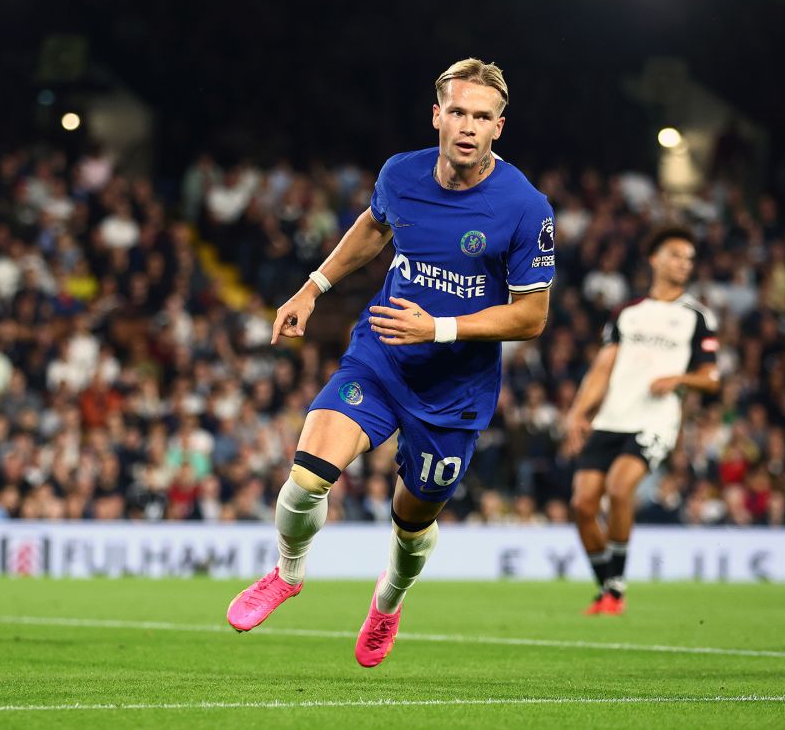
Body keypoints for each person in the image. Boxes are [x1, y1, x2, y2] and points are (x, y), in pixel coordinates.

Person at [225, 58, 555, 668]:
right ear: (437, 114)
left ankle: (387, 602)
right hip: (382, 356)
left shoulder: (524, 206)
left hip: (455, 390)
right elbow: (376, 227)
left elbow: (532, 316)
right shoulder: (400, 174)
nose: (467, 126)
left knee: (411, 521)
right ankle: (288, 574)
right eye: (457, 111)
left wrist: (441, 327)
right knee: (304, 481)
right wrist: (313, 286)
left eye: (482, 117)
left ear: (498, 128)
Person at [563, 227, 720, 615]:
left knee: (619, 488)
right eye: (676, 255)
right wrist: (578, 413)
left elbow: (712, 378)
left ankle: (615, 587)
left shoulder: (696, 316)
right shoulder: (627, 314)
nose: (684, 263)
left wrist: (679, 379)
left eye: (689, 259)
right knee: (582, 505)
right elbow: (603, 367)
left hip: (655, 421)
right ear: (655, 259)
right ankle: (608, 590)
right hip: (613, 417)